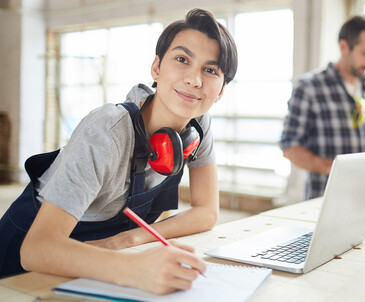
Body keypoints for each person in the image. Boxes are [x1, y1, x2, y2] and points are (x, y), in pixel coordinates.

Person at [0, 8, 237, 294]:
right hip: (23, 263)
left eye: (210, 70)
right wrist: (134, 268)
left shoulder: (198, 124)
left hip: (100, 260)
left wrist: (127, 241)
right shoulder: (107, 130)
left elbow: (207, 212)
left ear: (221, 90)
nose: (194, 80)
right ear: (156, 68)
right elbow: (36, 250)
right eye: (182, 59)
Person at [280, 15, 365, 200]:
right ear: (344, 47)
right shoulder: (310, 86)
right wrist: (335, 169)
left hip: (364, 197)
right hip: (324, 198)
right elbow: (289, 147)